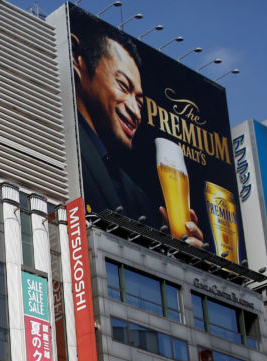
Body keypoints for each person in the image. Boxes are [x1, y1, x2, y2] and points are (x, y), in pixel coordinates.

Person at [71, 16, 204, 246]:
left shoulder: (136, 195)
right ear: (76, 58)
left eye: (140, 102)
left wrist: (181, 254)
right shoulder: (63, 147)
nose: (135, 111)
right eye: (123, 86)